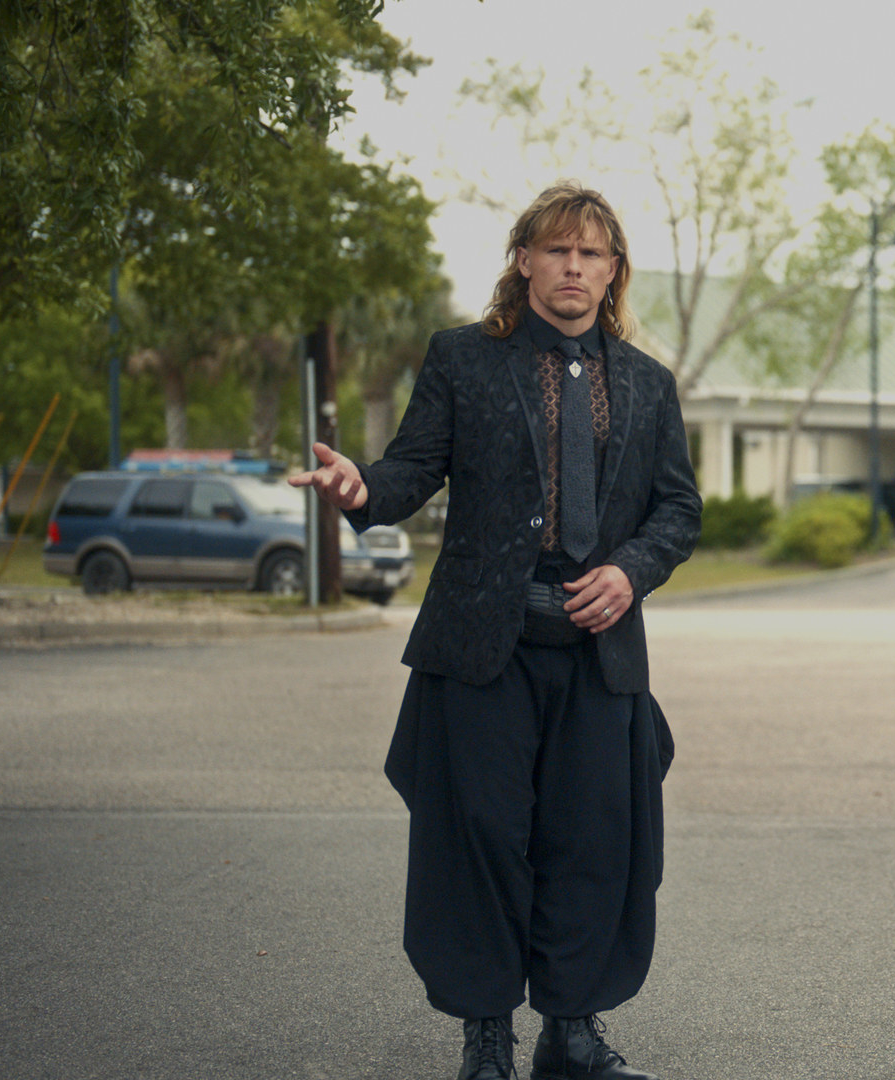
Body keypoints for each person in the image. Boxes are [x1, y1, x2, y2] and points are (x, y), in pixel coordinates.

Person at [291, 182, 699, 1080]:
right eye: (556, 250)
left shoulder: (647, 382)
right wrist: (362, 490)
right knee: (477, 830)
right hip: (484, 644)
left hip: (599, 649)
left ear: (613, 271)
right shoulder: (464, 359)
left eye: (591, 254)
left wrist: (630, 573)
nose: (573, 268)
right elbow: (410, 470)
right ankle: (486, 1035)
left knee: (592, 837)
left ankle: (572, 1028)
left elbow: (678, 509)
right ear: (523, 262)